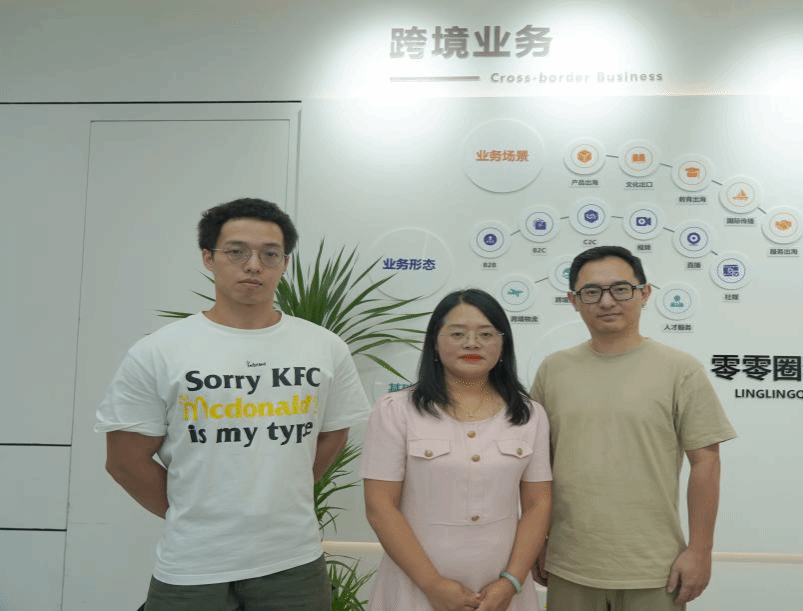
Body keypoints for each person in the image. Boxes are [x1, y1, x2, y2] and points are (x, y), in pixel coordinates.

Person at [96, 197, 368, 610]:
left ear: (285, 263)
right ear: (208, 257)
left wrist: (281, 495)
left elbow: (333, 434)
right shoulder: (159, 352)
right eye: (236, 252)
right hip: (192, 564)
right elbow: (124, 461)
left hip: (293, 561)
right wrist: (194, 514)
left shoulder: (325, 348)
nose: (254, 265)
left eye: (270, 254)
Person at [530, 245, 736, 611]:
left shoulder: (680, 370)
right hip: (570, 563)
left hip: (656, 568)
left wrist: (700, 550)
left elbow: (706, 462)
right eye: (591, 292)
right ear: (573, 301)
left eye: (620, 289)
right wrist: (537, 539)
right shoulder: (553, 370)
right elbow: (538, 466)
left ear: (644, 293)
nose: (607, 301)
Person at [361, 288, 552, 611]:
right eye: (457, 333)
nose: (472, 343)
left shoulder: (528, 415)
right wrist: (432, 585)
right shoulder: (396, 410)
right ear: (435, 343)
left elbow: (538, 504)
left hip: (502, 590)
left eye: (486, 334)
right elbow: (380, 506)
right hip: (416, 586)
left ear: (503, 345)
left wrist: (512, 581)